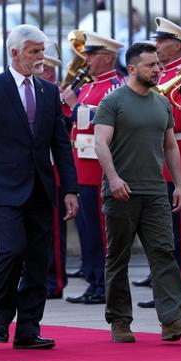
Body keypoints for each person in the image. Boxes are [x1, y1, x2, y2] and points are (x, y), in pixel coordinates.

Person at [0, 24, 79, 349]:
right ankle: (1, 317)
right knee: (12, 250)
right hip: (3, 188)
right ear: (15, 53)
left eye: (42, 51)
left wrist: (70, 189)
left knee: (39, 261)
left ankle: (29, 329)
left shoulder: (47, 92)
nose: (41, 58)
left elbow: (61, 144)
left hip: (42, 189)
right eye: (34, 52)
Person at [93, 42, 181, 343]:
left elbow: (170, 147)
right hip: (121, 192)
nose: (158, 69)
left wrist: (178, 185)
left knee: (164, 253)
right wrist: (113, 179)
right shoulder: (113, 101)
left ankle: (173, 320)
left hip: (155, 191)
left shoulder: (162, 102)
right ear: (131, 68)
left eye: (158, 64)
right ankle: (120, 320)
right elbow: (100, 143)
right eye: (150, 65)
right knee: (118, 257)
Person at [135, 17, 181, 310]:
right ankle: (165, 285)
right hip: (152, 154)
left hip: (174, 150)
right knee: (157, 228)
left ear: (176, 45)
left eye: (161, 42)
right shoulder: (158, 73)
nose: (156, 46)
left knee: (176, 228)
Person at [61, 32, 124, 305]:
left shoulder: (116, 85)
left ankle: (104, 283)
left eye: (91, 54)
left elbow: (106, 119)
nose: (85, 60)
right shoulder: (86, 86)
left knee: (101, 231)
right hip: (81, 167)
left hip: (99, 169)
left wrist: (74, 107)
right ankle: (93, 280)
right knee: (87, 229)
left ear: (108, 57)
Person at [35, 41, 70, 299]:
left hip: (55, 170)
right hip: (36, 169)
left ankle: (55, 280)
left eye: (44, 67)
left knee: (55, 233)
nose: (40, 70)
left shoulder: (58, 93)